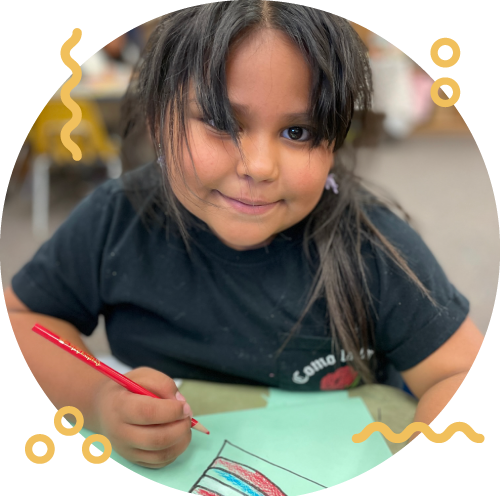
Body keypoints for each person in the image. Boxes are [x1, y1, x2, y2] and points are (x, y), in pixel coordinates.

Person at [7, 2, 483, 469]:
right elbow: (25, 318)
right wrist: (98, 400)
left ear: (335, 142)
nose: (258, 166)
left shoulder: (376, 247)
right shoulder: (115, 219)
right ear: (157, 119)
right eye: (220, 121)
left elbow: (456, 371)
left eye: (299, 131)